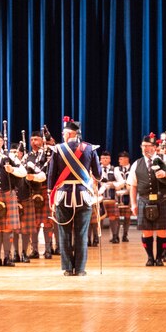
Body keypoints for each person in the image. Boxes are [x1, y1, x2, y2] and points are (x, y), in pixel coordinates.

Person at [46, 118, 101, 276]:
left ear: (70, 133)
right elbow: (98, 174)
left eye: (64, 133)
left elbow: (52, 175)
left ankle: (68, 269)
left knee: (64, 233)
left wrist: (51, 194)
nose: (62, 136)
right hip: (84, 196)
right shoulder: (90, 149)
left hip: (63, 195)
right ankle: (81, 268)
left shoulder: (58, 149)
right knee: (81, 233)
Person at [128, 133, 166, 266]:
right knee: (147, 232)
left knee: (162, 230)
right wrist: (133, 204)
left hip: (163, 200)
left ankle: (159, 258)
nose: (146, 149)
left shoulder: (165, 159)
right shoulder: (136, 164)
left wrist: (165, 173)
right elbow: (133, 186)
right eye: (143, 146)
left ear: (155, 147)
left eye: (149, 146)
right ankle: (150, 258)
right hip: (144, 201)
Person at [0, 130, 26, 267]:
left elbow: (23, 172)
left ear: (3, 142)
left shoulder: (11, 157)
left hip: (8, 194)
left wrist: (12, 170)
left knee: (8, 229)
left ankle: (7, 257)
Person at [25, 131, 51, 257]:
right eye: (32, 140)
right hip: (32, 192)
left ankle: (48, 250)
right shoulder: (27, 156)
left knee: (47, 222)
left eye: (36, 139)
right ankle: (34, 250)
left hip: (44, 189)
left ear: (42, 141)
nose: (33, 142)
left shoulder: (47, 155)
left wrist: (34, 177)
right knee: (33, 222)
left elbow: (48, 172)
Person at [113, 151, 133, 242]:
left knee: (127, 216)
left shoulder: (133, 168)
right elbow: (119, 180)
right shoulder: (116, 169)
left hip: (130, 195)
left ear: (126, 159)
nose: (119, 161)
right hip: (119, 195)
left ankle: (125, 235)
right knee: (116, 216)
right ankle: (115, 236)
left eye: (121, 159)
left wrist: (124, 184)